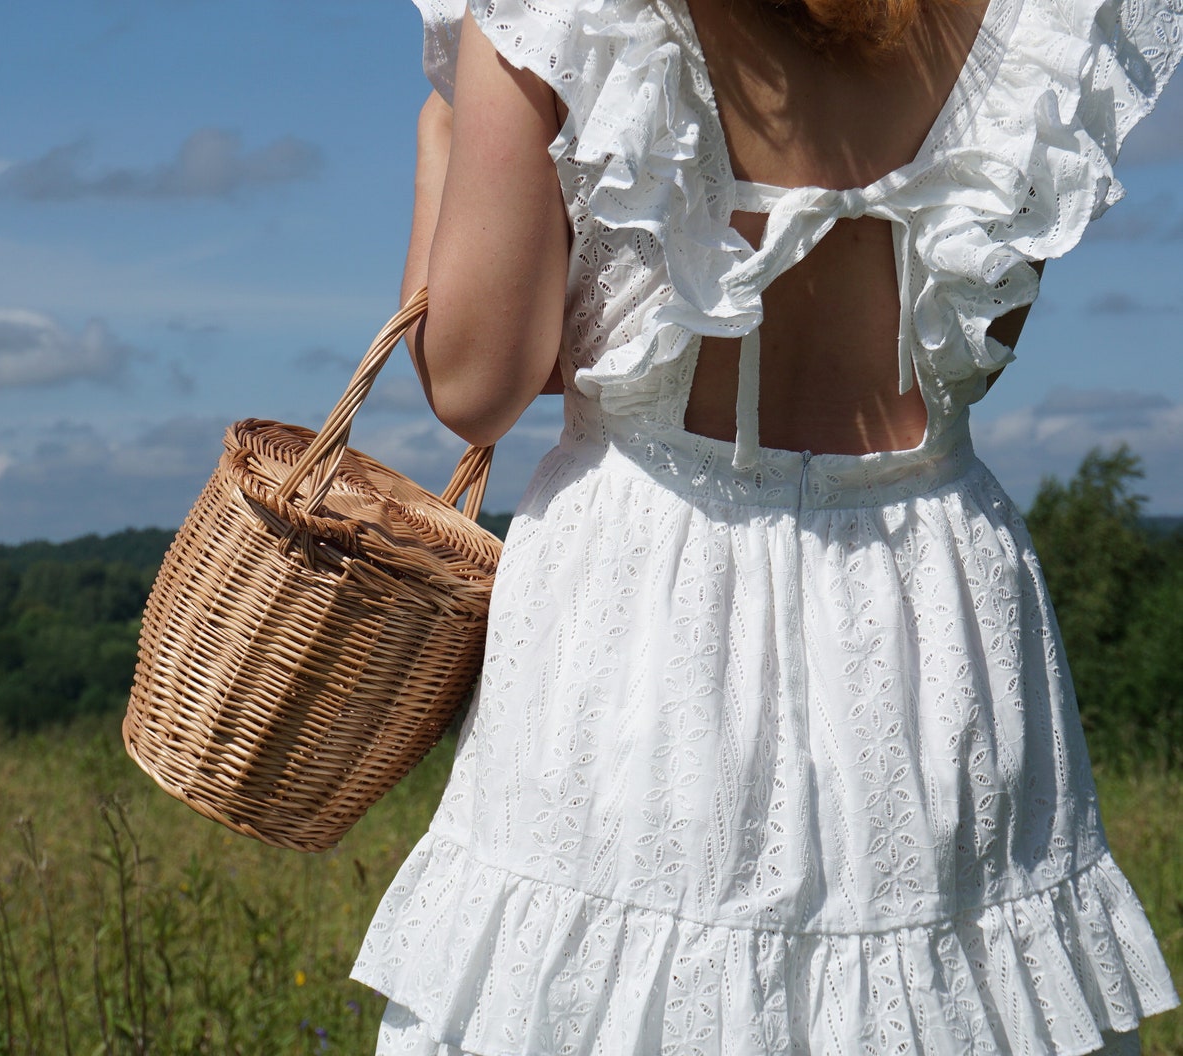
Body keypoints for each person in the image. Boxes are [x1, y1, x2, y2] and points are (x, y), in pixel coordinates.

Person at [350, 0, 1183, 1052]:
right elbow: (969, 344)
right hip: (930, 607)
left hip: (644, 596)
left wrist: (444, 141)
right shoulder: (1041, 17)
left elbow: (478, 379)